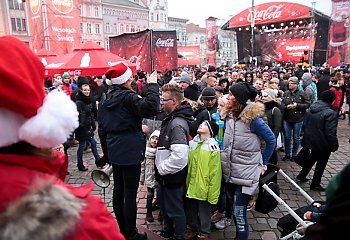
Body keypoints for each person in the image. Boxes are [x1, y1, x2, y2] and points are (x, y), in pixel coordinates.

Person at [0, 36, 124, 240]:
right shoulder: (82, 219)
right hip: (86, 132)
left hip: (91, 133)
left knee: (90, 143)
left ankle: (96, 158)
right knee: (88, 142)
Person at [99, 63, 160, 240]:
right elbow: (151, 107)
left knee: (119, 190)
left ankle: (122, 229)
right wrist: (153, 85)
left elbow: (102, 129)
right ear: (125, 80)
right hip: (130, 147)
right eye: (130, 77)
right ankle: (131, 233)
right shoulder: (128, 97)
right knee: (129, 192)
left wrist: (107, 153)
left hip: (114, 146)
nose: (132, 79)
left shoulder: (105, 98)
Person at [221, 82, 275, 240]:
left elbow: (271, 140)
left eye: (231, 95)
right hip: (231, 170)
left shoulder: (254, 120)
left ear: (239, 99)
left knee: (239, 210)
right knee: (234, 206)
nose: (228, 97)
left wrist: (263, 163)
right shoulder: (230, 116)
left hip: (248, 172)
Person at [155, 83, 193, 240]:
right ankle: (167, 231)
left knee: (175, 210)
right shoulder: (172, 119)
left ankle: (178, 236)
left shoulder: (177, 124)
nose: (161, 102)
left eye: (164, 100)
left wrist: (162, 168)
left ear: (174, 102)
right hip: (165, 176)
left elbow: (180, 157)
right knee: (165, 207)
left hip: (171, 176)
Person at [184, 120, 222, 240]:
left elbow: (215, 172)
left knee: (204, 210)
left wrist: (213, 192)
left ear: (210, 131)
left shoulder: (213, 147)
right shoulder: (192, 144)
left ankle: (205, 232)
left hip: (204, 186)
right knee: (191, 208)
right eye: (201, 123)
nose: (201, 125)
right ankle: (192, 228)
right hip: (191, 183)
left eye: (205, 124)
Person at [296, 90, 339, 191]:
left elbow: (305, 125)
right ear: (332, 100)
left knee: (312, 158)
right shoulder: (330, 113)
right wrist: (334, 145)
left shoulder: (311, 108)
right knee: (321, 164)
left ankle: (302, 175)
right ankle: (315, 183)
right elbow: (330, 133)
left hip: (311, 140)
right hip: (323, 143)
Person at [281, 77, 310, 161]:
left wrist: (297, 105)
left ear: (296, 84)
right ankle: (287, 154)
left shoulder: (302, 93)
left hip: (298, 118)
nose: (289, 84)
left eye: (292, 83)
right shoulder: (286, 93)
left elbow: (307, 104)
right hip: (287, 118)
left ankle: (294, 154)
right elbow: (282, 104)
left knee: (296, 137)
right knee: (287, 137)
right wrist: (286, 107)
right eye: (289, 83)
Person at [75, 83, 101, 171]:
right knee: (82, 146)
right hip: (82, 128)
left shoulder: (89, 100)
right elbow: (77, 116)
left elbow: (90, 114)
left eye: (88, 90)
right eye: (85, 90)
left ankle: (98, 161)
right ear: (81, 91)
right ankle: (80, 164)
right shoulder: (78, 102)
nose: (87, 91)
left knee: (93, 143)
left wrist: (93, 124)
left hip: (88, 127)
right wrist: (82, 124)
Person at [140, 130, 160, 223]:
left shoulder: (160, 152)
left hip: (158, 178)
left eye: (157, 139)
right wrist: (142, 178)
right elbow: (142, 166)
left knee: (160, 195)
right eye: (153, 138)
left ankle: (161, 213)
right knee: (150, 195)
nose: (154, 141)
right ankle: (148, 212)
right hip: (149, 177)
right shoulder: (146, 152)